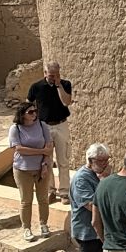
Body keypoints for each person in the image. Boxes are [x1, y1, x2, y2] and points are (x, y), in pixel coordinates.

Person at [27, 60, 73, 201]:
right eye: (51, 75)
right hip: (44, 126)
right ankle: (50, 190)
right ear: (45, 73)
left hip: (61, 125)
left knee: (63, 159)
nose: (54, 77)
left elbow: (66, 102)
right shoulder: (36, 87)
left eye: (57, 74)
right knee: (46, 160)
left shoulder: (65, 85)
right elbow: (28, 104)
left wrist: (58, 86)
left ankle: (64, 191)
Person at [8, 101, 54, 241]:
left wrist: (45, 163)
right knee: (26, 201)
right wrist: (40, 151)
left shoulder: (42, 125)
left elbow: (49, 146)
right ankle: (26, 228)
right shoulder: (15, 129)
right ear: (22, 114)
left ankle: (43, 224)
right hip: (23, 169)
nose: (34, 114)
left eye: (35, 111)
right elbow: (19, 149)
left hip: (42, 168)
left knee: (43, 199)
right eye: (30, 112)